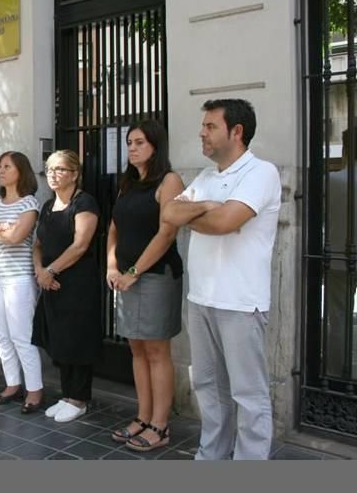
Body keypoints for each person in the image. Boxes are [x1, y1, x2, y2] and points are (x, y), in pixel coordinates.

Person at [163, 99, 281, 460]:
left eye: (210, 126)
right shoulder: (207, 177)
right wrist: (208, 206)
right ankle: (211, 457)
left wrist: (199, 214)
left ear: (237, 132)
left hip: (241, 303)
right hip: (201, 300)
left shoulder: (261, 173)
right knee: (208, 388)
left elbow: (225, 222)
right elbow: (169, 212)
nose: (202, 132)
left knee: (248, 394)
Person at [106, 120, 184, 451]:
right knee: (136, 347)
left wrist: (134, 271)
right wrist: (112, 264)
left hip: (154, 276)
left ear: (156, 145)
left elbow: (166, 233)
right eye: (129, 142)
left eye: (139, 142)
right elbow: (114, 227)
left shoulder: (169, 181)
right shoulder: (127, 183)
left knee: (156, 349)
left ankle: (161, 425)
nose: (132, 148)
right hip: (124, 276)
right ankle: (143, 416)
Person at [33, 150, 103, 423]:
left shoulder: (85, 203)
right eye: (50, 169)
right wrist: (40, 270)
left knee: (78, 339)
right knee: (60, 338)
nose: (53, 174)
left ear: (74, 174)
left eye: (60, 169)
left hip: (77, 282)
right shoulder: (48, 206)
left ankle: (79, 398)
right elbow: (38, 243)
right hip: (51, 282)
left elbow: (80, 245)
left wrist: (50, 270)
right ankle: (66, 394)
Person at [0, 151, 44, 413]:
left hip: (18, 277)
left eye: (7, 166)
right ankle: (12, 384)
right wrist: (3, 227)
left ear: (20, 171)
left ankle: (34, 390)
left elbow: (17, 237)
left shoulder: (29, 204)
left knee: (22, 336)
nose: (1, 171)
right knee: (3, 335)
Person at [325, 129, 356, 378]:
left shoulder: (334, 181)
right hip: (340, 257)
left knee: (338, 318)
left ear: (346, 149)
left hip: (338, 257)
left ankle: (336, 374)